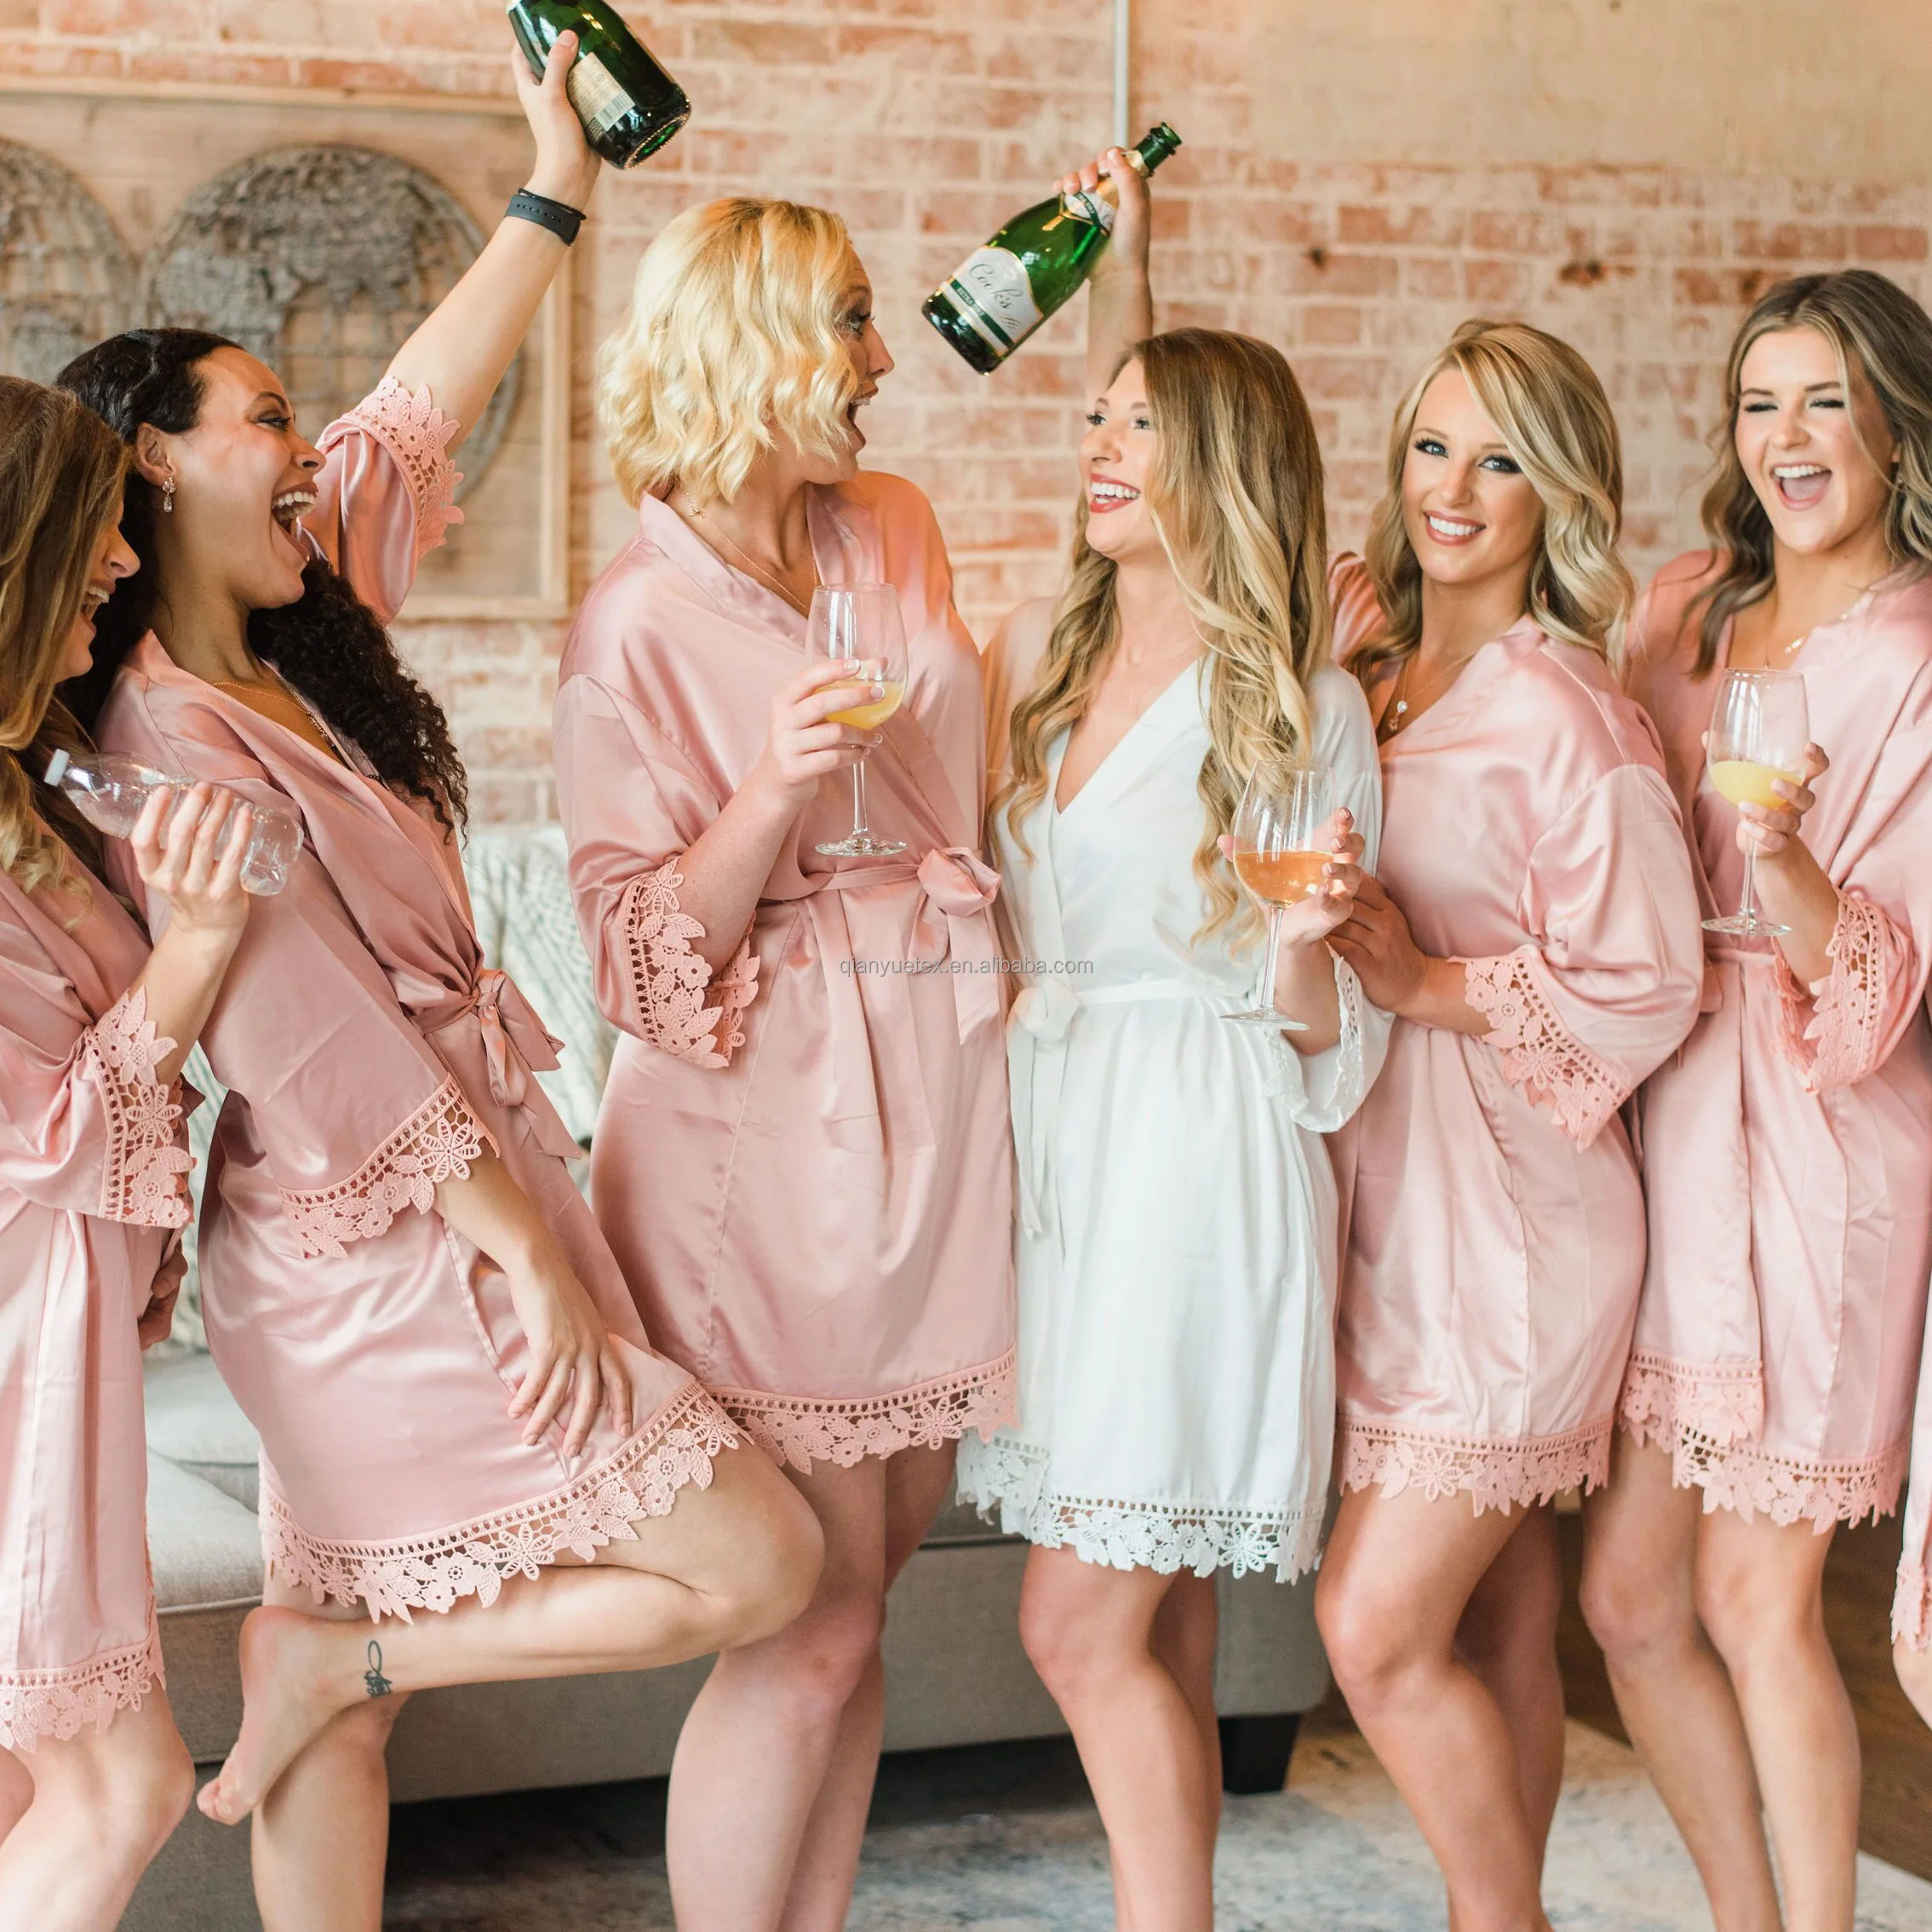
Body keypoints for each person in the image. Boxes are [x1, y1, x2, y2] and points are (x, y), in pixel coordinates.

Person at [60, 32, 819, 1932]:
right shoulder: (162, 738)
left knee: (344, 1670)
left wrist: (554, 182)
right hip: (380, 1240)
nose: (309, 444)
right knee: (758, 1560)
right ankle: (337, 1659)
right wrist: (529, 1251)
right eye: (263, 417)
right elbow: (317, 1047)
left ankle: (335, 1666)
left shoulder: (299, 635)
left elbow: (419, 406)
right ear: (155, 459)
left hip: (453, 1192)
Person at [553, 195, 1013, 1931]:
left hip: (933, 1097)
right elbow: (636, 959)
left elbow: (966, 777)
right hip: (763, 1128)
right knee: (806, 1621)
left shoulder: (893, 522)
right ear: (750, 350)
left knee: (864, 1604)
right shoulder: (632, 622)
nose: (885, 356)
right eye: (848, 321)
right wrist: (768, 790)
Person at [957, 302, 1385, 1924]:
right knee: (1163, 1616)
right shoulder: (1032, 656)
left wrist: (1305, 944)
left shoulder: (1303, 703)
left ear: (1226, 465)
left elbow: (1327, 1045)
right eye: (1098, 418)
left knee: (1074, 1625)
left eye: (1142, 425)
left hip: (1200, 1158)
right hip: (1061, 1139)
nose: (1101, 448)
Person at [1317, 324, 1703, 1932]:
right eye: (1434, 447)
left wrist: (1424, 982)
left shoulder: (1568, 712)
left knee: (1373, 1631)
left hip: (1521, 1236)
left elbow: (1652, 983)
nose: (1455, 491)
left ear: (1561, 495)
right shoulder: (1372, 677)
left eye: (1500, 461)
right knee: (1494, 1626)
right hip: (1391, 1218)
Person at [1587, 270, 1932, 1932]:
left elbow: (1885, 980)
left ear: (1896, 428)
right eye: (1759, 403)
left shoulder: (1919, 654)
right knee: (1631, 1593)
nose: (1787, 438)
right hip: (1681, 1122)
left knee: (1753, 1588)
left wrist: (1781, 854)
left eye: (1825, 402)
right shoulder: (1691, 611)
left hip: (1826, 1135)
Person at [0, 376, 255, 1929]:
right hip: (18, 1363)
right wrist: (203, 941)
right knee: (121, 1785)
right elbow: (44, 1130)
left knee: (31, 1785)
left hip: (59, 1332)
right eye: (93, 528)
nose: (119, 558)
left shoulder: (28, 781)